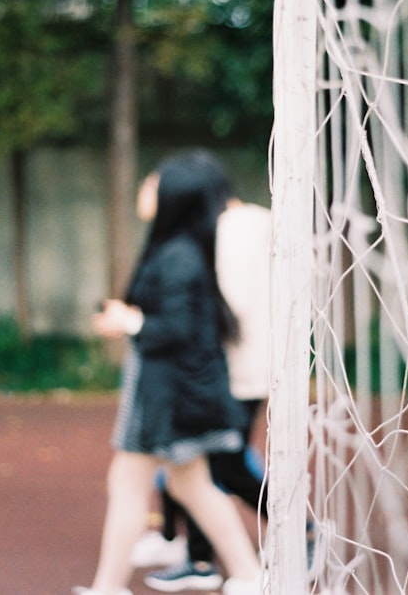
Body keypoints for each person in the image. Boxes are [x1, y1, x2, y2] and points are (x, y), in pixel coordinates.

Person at [75, 153, 262, 595]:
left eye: (153, 185)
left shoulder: (178, 255)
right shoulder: (182, 250)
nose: (145, 189)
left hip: (167, 394)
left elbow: (178, 330)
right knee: (191, 483)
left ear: (173, 199)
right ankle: (250, 576)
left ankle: (109, 587)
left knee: (132, 482)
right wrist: (131, 317)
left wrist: (131, 323)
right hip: (169, 391)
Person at [132, 152, 273, 593]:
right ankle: (195, 555)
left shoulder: (230, 232)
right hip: (244, 365)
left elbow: (227, 304)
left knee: (222, 466)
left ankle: (303, 531)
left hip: (234, 368)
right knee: (198, 464)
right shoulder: (253, 223)